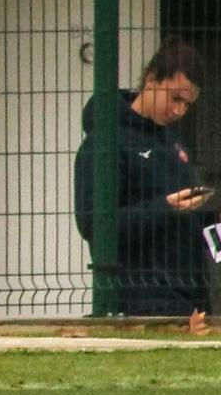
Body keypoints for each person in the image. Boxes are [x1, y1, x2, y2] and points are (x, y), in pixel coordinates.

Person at [74, 39, 214, 317]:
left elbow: (190, 222)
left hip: (190, 302)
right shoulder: (105, 143)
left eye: (187, 105)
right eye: (175, 99)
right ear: (151, 79)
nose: (179, 111)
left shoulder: (174, 144)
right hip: (138, 302)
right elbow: (94, 226)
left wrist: (215, 223)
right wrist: (165, 208)